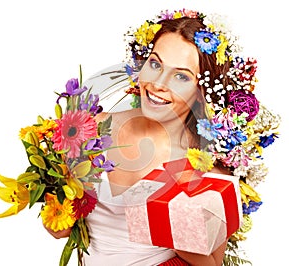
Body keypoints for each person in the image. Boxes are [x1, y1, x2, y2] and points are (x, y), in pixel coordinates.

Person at [45, 8, 274, 266]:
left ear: (200, 91)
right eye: (155, 64)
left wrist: (178, 232)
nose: (158, 83)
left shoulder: (206, 166)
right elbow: (60, 229)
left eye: (181, 76)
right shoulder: (91, 129)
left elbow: (211, 263)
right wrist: (59, 199)